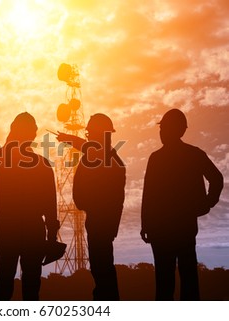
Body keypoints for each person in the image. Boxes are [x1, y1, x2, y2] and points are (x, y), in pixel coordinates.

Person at [140, 108, 223, 300]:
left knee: (166, 281)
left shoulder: (159, 158)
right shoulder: (192, 155)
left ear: (176, 130)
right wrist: (207, 203)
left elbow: (148, 194)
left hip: (165, 229)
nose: (161, 133)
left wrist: (207, 203)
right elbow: (149, 193)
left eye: (164, 128)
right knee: (185, 279)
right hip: (178, 227)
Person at [58, 113, 126, 300]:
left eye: (92, 133)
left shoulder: (107, 158)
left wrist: (70, 139)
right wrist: (70, 139)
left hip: (100, 222)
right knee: (101, 267)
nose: (89, 137)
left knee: (101, 267)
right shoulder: (108, 157)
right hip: (101, 222)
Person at [0, 112, 60, 300]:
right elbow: (50, 204)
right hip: (32, 229)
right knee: (31, 283)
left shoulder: (3, 156)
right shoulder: (42, 164)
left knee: (5, 277)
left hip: (8, 228)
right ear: (32, 134)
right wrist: (52, 235)